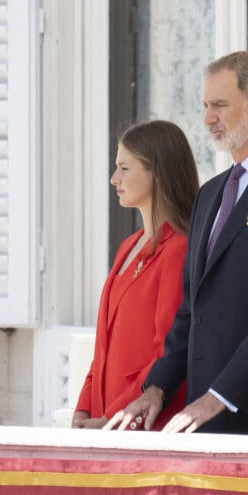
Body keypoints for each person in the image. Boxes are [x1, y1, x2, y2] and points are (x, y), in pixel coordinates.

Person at [107, 51, 248, 434]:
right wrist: (157, 387)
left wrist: (219, 397)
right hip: (199, 415)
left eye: (220, 105)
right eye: (206, 105)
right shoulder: (210, 194)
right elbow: (190, 311)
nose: (208, 118)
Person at [72, 120, 199, 430]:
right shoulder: (128, 246)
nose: (114, 179)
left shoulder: (179, 249)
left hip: (142, 424)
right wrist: (83, 410)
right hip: (103, 424)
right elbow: (102, 349)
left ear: (157, 172)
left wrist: (111, 417)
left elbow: (166, 353)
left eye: (124, 169)